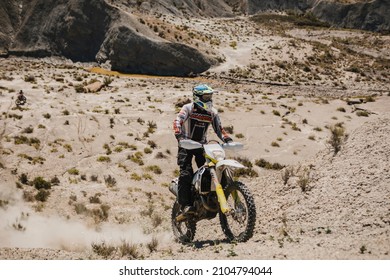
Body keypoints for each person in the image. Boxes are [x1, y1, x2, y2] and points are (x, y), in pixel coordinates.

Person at [173, 84, 233, 214]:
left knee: (211, 170)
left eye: (210, 96)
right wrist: (179, 135)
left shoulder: (212, 112)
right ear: (197, 97)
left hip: (202, 146)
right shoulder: (188, 108)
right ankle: (185, 205)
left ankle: (211, 197)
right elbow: (178, 121)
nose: (209, 99)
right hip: (186, 144)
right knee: (186, 173)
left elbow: (219, 129)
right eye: (206, 96)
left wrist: (227, 139)